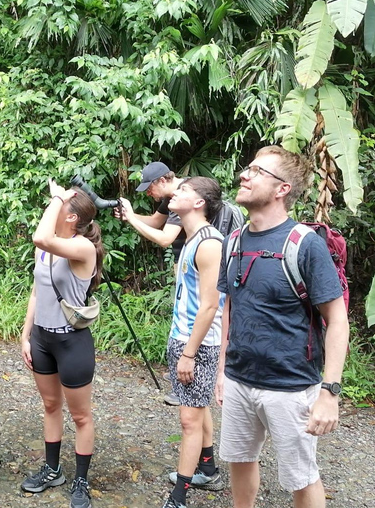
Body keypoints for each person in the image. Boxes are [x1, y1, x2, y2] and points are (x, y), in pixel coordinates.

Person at [215, 146, 349, 508]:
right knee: (239, 461)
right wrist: (223, 371)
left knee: (301, 477)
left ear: (282, 189)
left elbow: (337, 320)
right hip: (241, 379)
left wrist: (329, 392)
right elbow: (230, 306)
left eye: (257, 172)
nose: (245, 175)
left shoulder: (304, 245)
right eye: (248, 168)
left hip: (291, 387)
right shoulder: (234, 241)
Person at [19, 179, 105, 508]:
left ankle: (81, 478)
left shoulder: (83, 248)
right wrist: (26, 335)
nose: (51, 206)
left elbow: (40, 235)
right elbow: (37, 290)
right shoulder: (48, 247)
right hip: (43, 338)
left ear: (71, 217)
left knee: (81, 416)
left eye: (59, 205)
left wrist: (59, 196)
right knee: (50, 406)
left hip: (72, 344)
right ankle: (52, 468)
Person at [159, 177, 226, 508]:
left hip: (198, 345)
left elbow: (211, 305)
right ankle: (208, 468)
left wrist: (189, 354)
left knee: (188, 421)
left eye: (183, 189)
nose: (176, 192)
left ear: (199, 202)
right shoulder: (192, 238)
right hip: (184, 338)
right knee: (197, 411)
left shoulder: (210, 243)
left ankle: (179, 497)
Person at [115, 161, 185, 406]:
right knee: (181, 317)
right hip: (185, 264)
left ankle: (185, 381)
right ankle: (180, 367)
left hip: (198, 267)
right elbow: (156, 222)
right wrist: (129, 216)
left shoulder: (183, 196)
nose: (147, 193)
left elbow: (165, 238)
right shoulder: (170, 198)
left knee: (188, 320)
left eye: (149, 187)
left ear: (163, 180)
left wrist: (132, 219)